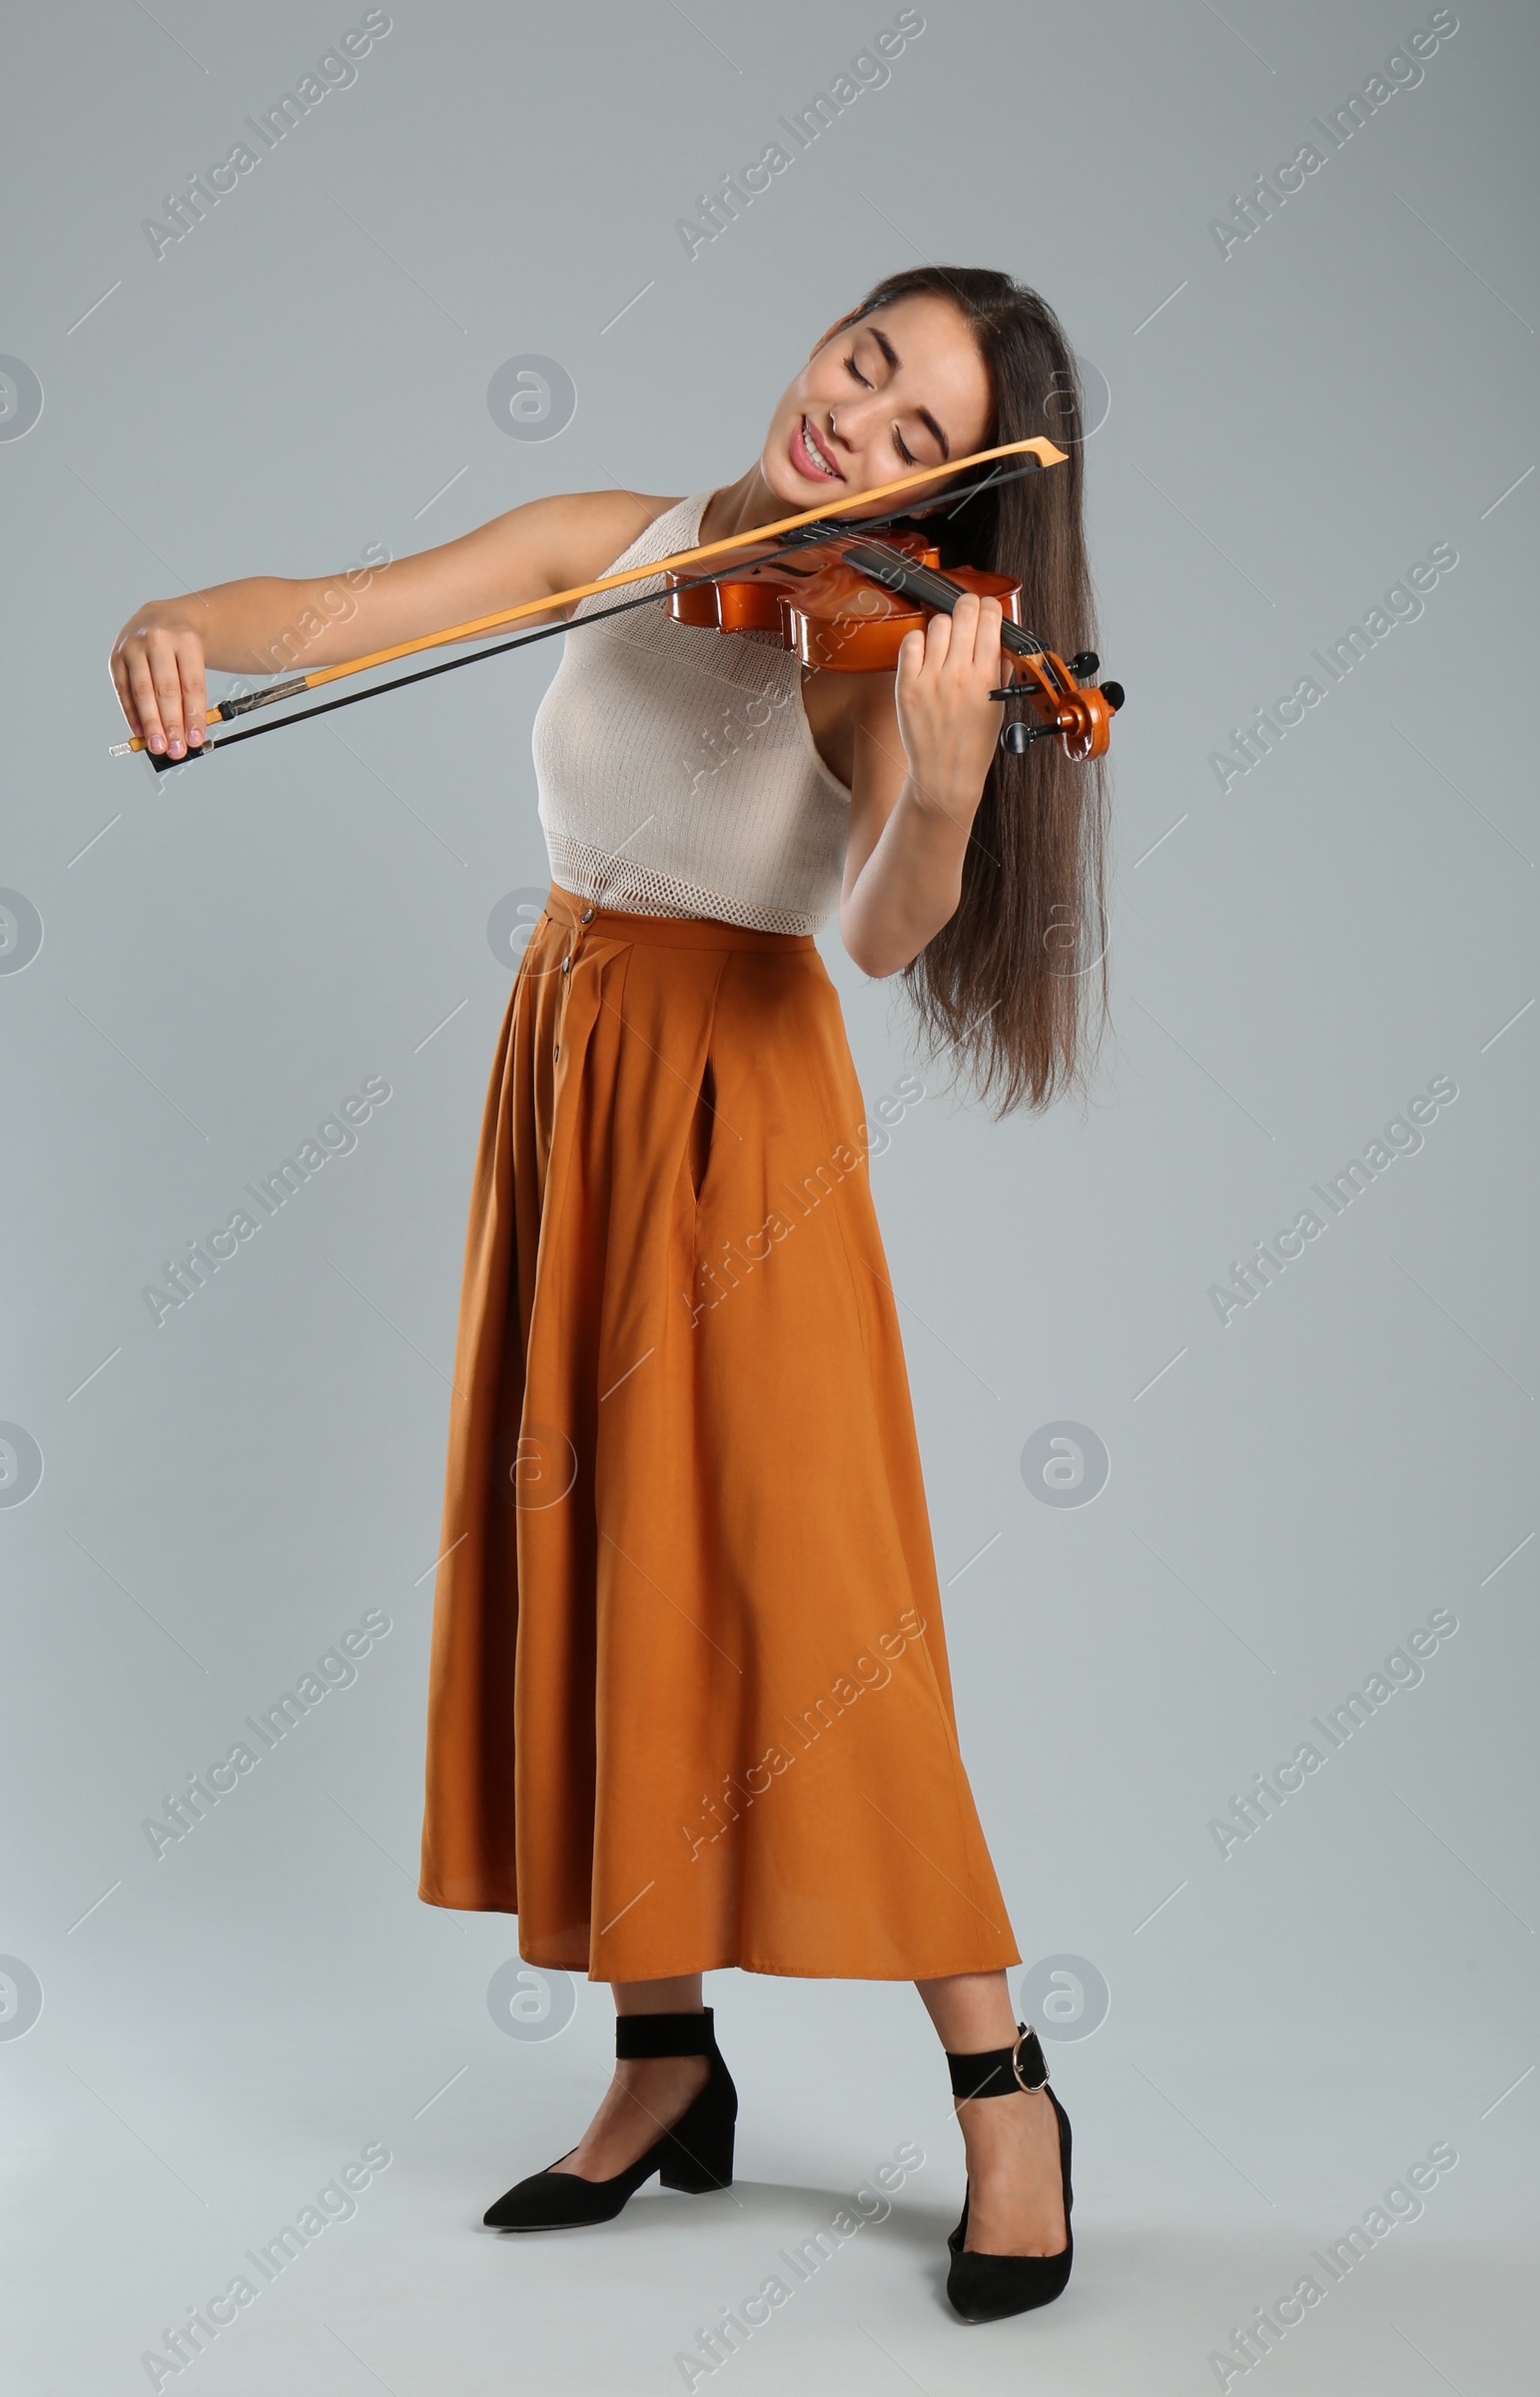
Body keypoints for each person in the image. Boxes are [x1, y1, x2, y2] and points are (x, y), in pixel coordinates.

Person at [108, 264, 1111, 2326]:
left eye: (919, 440)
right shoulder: (624, 541)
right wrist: (186, 628)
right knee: (592, 1555)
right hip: (566, 1057)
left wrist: (934, 777)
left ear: (957, 500)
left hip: (735, 1116)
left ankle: (1005, 2090)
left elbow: (888, 936)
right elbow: (335, 613)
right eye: (861, 368)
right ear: (819, 336)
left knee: (819, 1603)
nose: (853, 431)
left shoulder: (870, 651)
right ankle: (663, 2058)